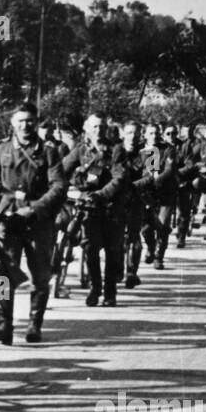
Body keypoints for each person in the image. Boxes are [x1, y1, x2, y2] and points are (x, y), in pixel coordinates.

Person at [0, 102, 65, 344]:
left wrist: (35, 208)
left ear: (36, 123)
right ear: (12, 124)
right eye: (20, 121)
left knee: (40, 275)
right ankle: (3, 321)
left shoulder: (49, 153)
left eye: (29, 121)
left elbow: (59, 186)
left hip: (37, 222)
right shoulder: (1, 150)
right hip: (7, 220)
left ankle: (34, 324)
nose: (25, 125)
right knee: (3, 273)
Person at [59, 114, 126, 306]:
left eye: (101, 127)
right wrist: (64, 186)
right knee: (90, 249)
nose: (98, 131)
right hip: (88, 209)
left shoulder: (116, 150)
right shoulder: (81, 150)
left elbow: (118, 179)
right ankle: (95, 288)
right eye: (94, 127)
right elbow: (61, 171)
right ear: (86, 128)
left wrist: (101, 195)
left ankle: (110, 292)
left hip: (110, 207)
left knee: (112, 251)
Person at [116, 120, 150, 288]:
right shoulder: (116, 151)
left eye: (136, 134)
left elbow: (151, 177)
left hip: (137, 198)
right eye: (129, 133)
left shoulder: (151, 152)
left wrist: (130, 186)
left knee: (134, 236)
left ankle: (131, 272)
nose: (133, 137)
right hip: (116, 200)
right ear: (122, 134)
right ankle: (117, 269)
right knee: (117, 237)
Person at [139, 123, 177, 270]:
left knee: (162, 225)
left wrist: (154, 181)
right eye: (150, 133)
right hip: (146, 195)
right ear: (145, 135)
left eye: (156, 133)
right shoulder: (140, 150)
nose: (153, 136)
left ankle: (158, 257)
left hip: (165, 194)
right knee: (145, 228)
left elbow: (169, 170)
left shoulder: (168, 149)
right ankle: (150, 246)